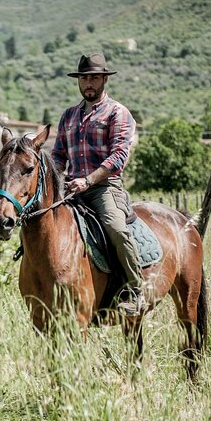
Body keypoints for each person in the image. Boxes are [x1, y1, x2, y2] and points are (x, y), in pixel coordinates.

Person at [51, 53, 145, 316]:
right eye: (84, 78)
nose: (88, 83)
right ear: (79, 82)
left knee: (115, 227)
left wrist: (89, 180)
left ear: (104, 79)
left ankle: (135, 290)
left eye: (93, 78)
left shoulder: (118, 113)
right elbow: (58, 155)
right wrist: (54, 177)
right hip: (70, 188)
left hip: (105, 188)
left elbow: (118, 157)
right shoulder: (68, 116)